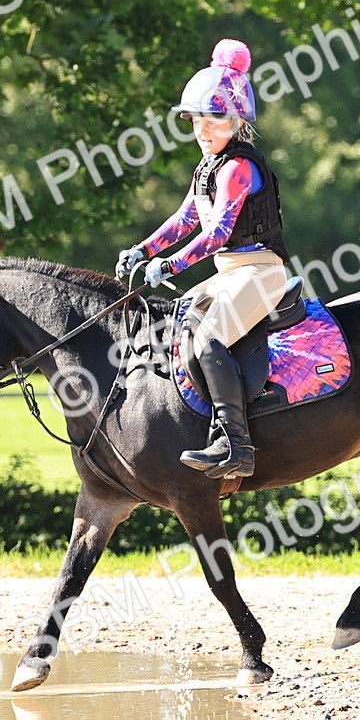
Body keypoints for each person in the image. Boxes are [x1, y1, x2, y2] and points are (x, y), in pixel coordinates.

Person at [115, 39, 289, 480]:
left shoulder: (237, 168)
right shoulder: (207, 167)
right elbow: (185, 219)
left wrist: (169, 265)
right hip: (228, 273)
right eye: (197, 118)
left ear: (236, 120)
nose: (203, 128)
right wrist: (143, 249)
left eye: (214, 118)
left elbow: (216, 234)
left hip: (260, 271)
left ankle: (237, 446)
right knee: (176, 325)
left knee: (210, 339)